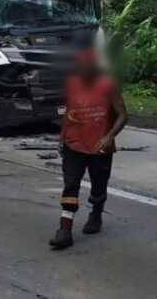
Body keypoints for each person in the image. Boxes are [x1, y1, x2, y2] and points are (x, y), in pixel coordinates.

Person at [49, 48, 128, 250]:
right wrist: (61, 139)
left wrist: (109, 136)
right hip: (73, 143)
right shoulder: (72, 83)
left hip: (99, 146)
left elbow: (122, 115)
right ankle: (64, 230)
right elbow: (68, 112)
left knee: (99, 185)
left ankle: (96, 213)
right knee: (71, 184)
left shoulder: (108, 85)